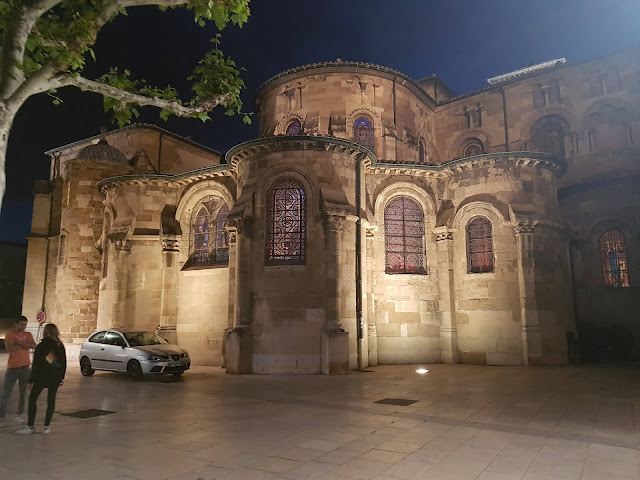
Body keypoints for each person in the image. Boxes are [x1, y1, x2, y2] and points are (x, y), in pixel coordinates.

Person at [15, 324, 66, 435]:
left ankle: (31, 426)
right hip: (54, 376)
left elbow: (36, 364)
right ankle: (47, 427)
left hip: (42, 376)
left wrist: (31, 379)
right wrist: (61, 377)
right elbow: (63, 362)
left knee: (32, 399)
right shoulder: (59, 345)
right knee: (51, 401)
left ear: (45, 332)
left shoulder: (42, 346)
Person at [0, 316, 37, 427]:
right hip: (13, 367)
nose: (23, 327)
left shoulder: (28, 335)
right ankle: (1, 416)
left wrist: (19, 343)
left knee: (23, 393)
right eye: (21, 324)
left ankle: (19, 414)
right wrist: (25, 345)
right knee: (6, 393)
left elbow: (34, 346)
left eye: (25, 325)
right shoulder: (10, 334)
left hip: (25, 366)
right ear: (16, 324)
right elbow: (9, 348)